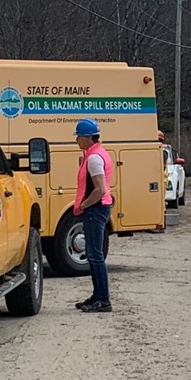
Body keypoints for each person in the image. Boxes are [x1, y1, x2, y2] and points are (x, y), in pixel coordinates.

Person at [72, 118, 113, 313]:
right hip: (98, 208)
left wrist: (83, 205)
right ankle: (97, 295)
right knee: (93, 254)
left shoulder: (94, 158)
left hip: (95, 209)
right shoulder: (95, 154)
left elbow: (99, 189)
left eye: (78, 136)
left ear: (88, 137)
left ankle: (103, 299)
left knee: (95, 256)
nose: (77, 140)